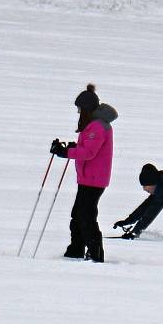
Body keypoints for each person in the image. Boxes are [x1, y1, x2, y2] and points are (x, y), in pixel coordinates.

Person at [50, 83, 117, 263]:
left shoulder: (97, 126)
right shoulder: (94, 125)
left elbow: (89, 153)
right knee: (79, 214)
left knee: (86, 216)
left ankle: (95, 254)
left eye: (80, 109)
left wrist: (65, 153)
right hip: (88, 178)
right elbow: (86, 148)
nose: (79, 112)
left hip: (93, 180)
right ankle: (76, 249)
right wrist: (72, 148)